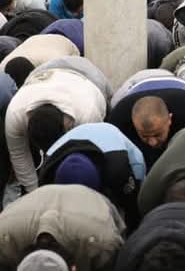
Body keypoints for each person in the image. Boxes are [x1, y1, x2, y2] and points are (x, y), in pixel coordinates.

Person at [6, 62, 108, 194]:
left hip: (88, 76)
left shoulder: (88, 114)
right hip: (43, 72)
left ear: (66, 128)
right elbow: (19, 155)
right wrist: (35, 193)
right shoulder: (15, 114)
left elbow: (91, 159)